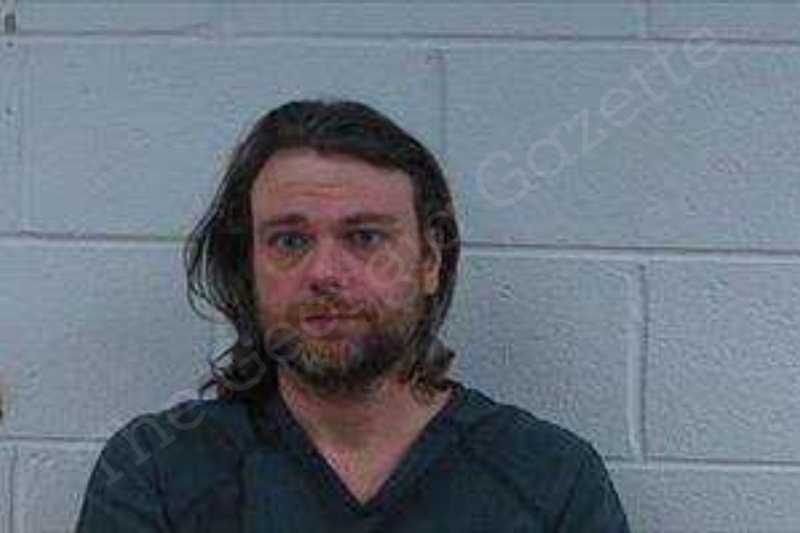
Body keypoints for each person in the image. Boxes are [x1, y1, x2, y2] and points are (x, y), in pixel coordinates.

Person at [75, 99, 630, 532]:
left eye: (365, 237)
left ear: (430, 261)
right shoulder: (158, 474)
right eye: (289, 240)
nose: (325, 273)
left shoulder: (549, 478)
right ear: (248, 266)